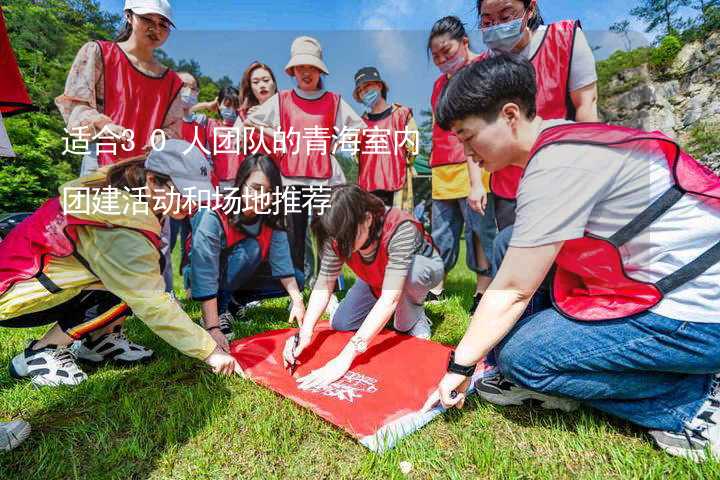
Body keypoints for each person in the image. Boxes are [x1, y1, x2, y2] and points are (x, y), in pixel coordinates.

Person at [426, 54, 720, 461]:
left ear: (509, 115)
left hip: (699, 315)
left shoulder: (555, 168)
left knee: (523, 359)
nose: (466, 152)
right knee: (508, 240)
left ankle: (692, 401)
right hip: (667, 280)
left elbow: (511, 290)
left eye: (468, 136)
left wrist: (461, 365)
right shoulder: (564, 137)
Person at [0, 139, 242, 390]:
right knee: (137, 285)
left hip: (31, 282)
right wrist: (210, 351)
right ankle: (42, 351)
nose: (191, 203)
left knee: (144, 271)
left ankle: (100, 341)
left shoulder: (128, 191)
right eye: (183, 192)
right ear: (152, 181)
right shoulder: (121, 219)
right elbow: (151, 302)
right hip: (16, 295)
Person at [476, 0, 599, 286]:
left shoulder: (564, 39)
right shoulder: (483, 67)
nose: (497, 26)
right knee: (519, 268)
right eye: (487, 20)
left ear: (529, 9)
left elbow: (587, 108)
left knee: (566, 270)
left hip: (562, 179)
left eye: (506, 16)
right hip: (510, 187)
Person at [244, 36, 365, 308]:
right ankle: (296, 295)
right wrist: (277, 136)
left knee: (327, 235)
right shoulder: (282, 100)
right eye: (300, 68)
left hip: (325, 179)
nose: (306, 72)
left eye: (311, 67)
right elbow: (252, 120)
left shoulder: (334, 101)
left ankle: (328, 293)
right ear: (292, 71)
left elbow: (359, 127)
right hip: (291, 180)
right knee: (293, 241)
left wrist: (335, 142)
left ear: (320, 70)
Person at [282, 184, 443, 389]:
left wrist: (345, 358)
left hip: (413, 273)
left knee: (403, 322)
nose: (342, 245)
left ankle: (415, 311)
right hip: (375, 277)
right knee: (341, 323)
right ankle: (375, 301)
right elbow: (325, 282)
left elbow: (389, 299)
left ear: (368, 219)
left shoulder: (401, 228)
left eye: (347, 237)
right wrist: (305, 332)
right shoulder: (337, 233)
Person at [185, 154, 305, 349]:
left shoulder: (270, 218)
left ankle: (234, 302)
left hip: (240, 270)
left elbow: (283, 265)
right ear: (241, 184)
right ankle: (218, 312)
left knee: (297, 279)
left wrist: (298, 302)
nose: (261, 198)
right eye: (256, 189)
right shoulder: (214, 213)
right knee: (250, 250)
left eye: (269, 192)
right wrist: (212, 327)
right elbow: (204, 269)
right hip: (206, 274)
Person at [56, 0, 183, 175]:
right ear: (129, 16)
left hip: (146, 171)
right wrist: (105, 126)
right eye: (147, 20)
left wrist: (163, 137)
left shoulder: (172, 81)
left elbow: (174, 126)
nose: (156, 29)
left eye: (163, 24)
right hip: (101, 163)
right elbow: (75, 105)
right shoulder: (99, 53)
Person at [427, 16, 497, 313]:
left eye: (447, 51)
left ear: (465, 42)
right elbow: (436, 125)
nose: (443, 59)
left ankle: (483, 291)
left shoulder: (485, 67)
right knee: (441, 231)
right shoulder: (439, 84)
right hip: (442, 168)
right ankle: (434, 288)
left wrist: (478, 179)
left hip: (478, 164)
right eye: (437, 56)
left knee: (480, 231)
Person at [352, 66, 418, 212]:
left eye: (368, 86)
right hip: (368, 189)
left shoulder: (402, 115)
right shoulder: (359, 125)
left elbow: (412, 149)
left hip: (397, 187)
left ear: (379, 85)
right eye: (360, 90)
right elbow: (357, 157)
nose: (364, 92)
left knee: (398, 229)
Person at [205, 86, 242, 189]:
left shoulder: (243, 126)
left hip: (240, 182)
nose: (231, 110)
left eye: (235, 106)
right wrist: (206, 105)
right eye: (227, 105)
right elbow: (185, 113)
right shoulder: (210, 124)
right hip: (217, 183)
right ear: (218, 104)